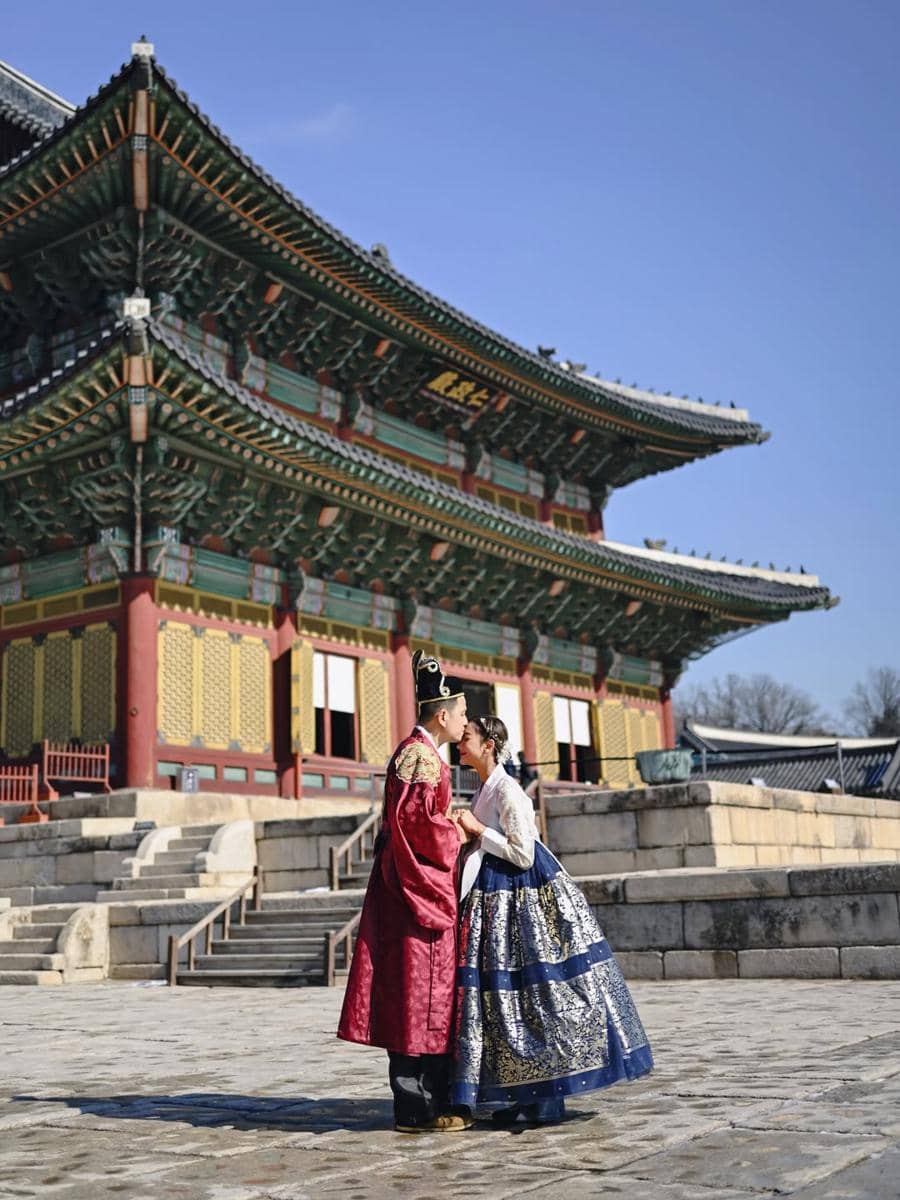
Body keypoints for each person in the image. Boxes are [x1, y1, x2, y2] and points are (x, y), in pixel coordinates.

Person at [451, 715, 654, 1125]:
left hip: (523, 898)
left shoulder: (509, 791)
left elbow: (524, 853)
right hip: (498, 899)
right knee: (510, 997)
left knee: (537, 994)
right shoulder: (486, 789)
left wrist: (478, 832)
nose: (460, 741)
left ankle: (546, 1098)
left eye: (467, 736)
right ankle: (527, 1092)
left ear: (488, 744)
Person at [337, 651, 472, 1133]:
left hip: (416, 888)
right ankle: (416, 1105)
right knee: (416, 996)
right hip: (415, 892)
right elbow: (415, 826)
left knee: (426, 997)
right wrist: (458, 832)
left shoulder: (427, 754)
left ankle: (430, 1100)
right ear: (442, 715)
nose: (465, 722)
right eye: (461, 714)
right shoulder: (418, 755)